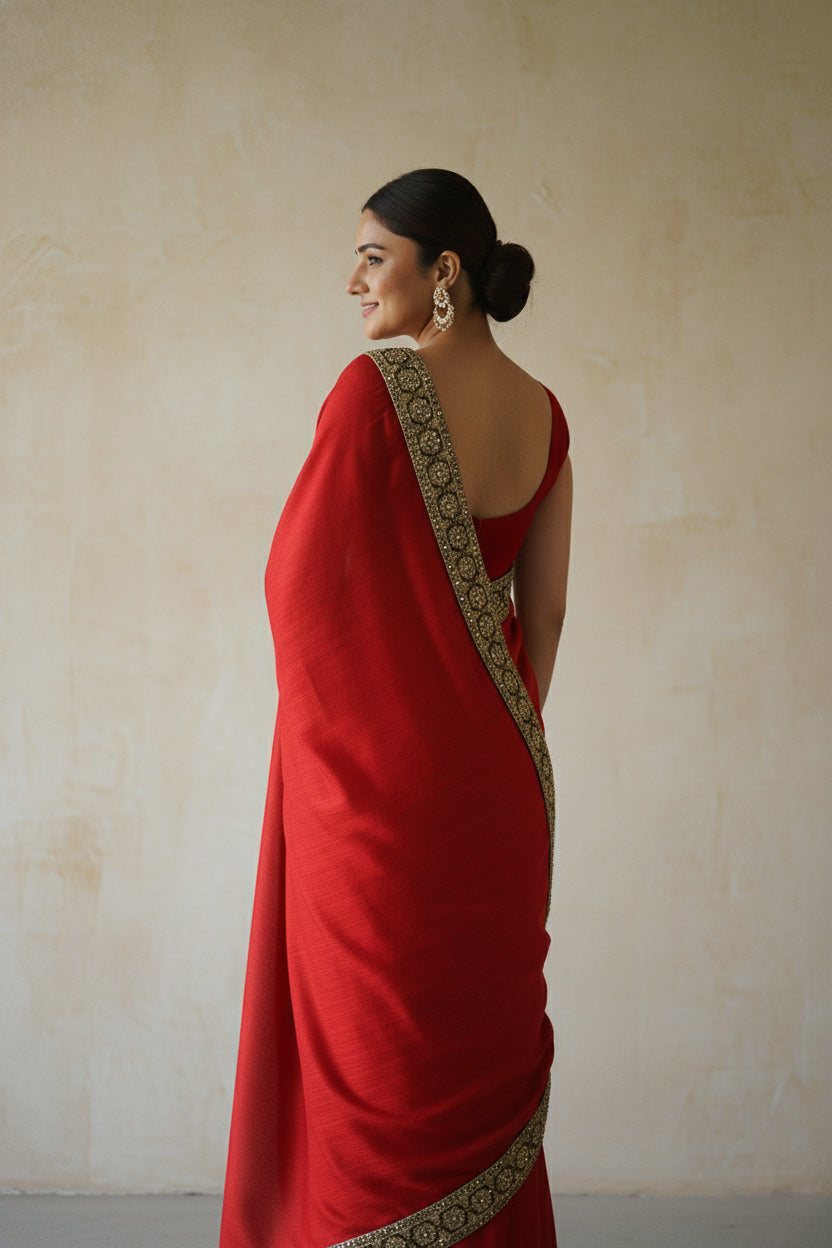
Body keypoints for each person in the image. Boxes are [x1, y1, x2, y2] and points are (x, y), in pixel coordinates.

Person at [219, 169, 573, 1248]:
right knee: (468, 1050)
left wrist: (352, 755)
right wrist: (487, 736)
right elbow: (544, 614)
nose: (353, 281)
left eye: (374, 256)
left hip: (384, 808)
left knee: (380, 1061)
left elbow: (297, 590)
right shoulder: (545, 416)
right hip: (505, 787)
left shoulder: (379, 392)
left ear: (443, 271)